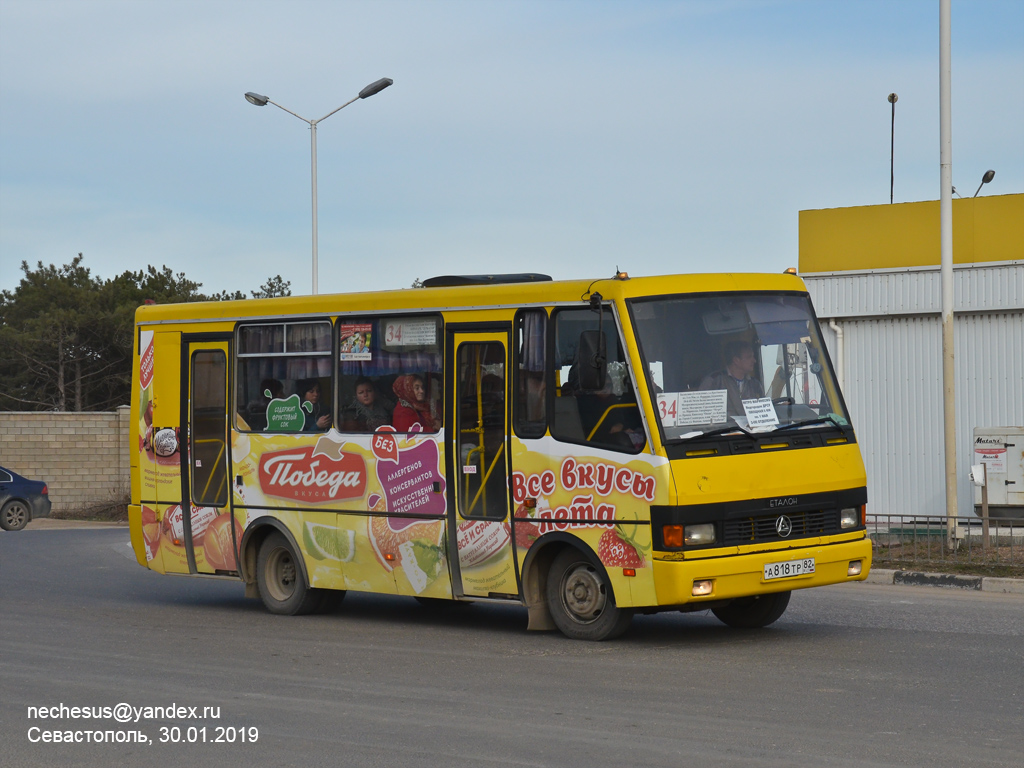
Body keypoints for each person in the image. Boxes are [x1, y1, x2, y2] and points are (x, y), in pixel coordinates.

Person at [699, 340, 765, 416]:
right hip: (724, 428)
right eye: (749, 357)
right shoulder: (714, 381)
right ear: (736, 360)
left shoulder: (755, 384)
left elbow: (764, 412)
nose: (754, 360)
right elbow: (702, 414)